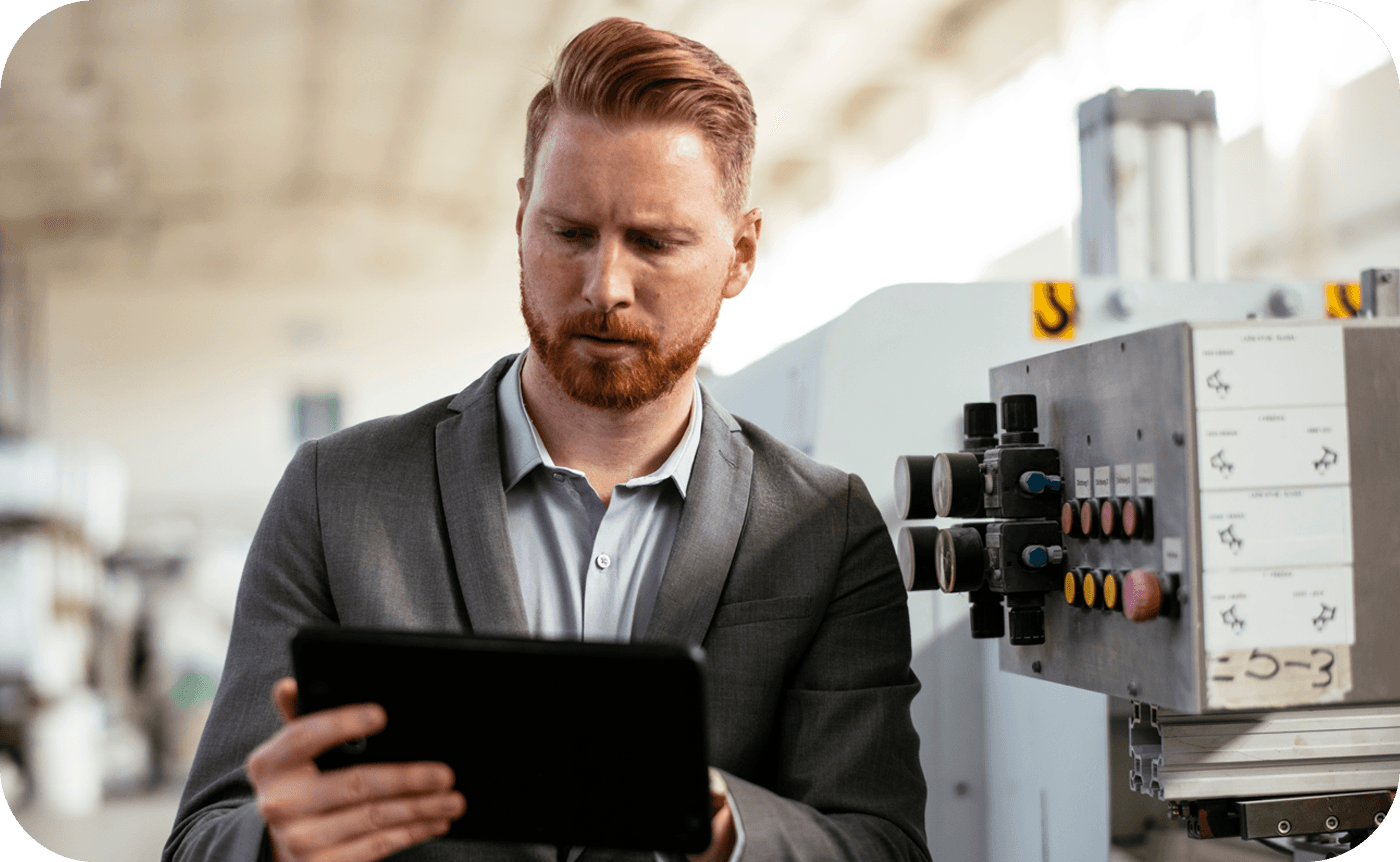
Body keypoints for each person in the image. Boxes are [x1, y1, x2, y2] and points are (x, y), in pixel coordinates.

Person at [163, 17, 928, 862]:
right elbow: (200, 837)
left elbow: (881, 844)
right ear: (521, 216)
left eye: (654, 241)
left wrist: (718, 821)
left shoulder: (828, 529)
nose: (605, 286)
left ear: (740, 252)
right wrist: (274, 843)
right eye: (569, 233)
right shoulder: (334, 494)